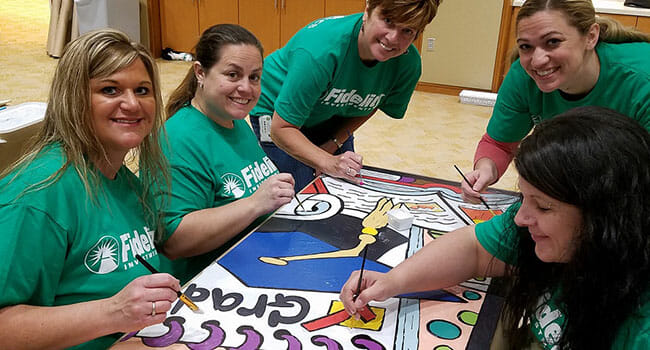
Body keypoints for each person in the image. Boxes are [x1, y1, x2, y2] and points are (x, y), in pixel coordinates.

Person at [341, 106, 650, 349]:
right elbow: (474, 248)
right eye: (523, 199)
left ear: (608, 215)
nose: (519, 218)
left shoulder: (639, 326)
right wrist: (393, 280)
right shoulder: (557, 233)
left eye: (542, 206)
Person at [0, 29, 181, 349]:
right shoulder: (37, 196)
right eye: (110, 89)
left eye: (142, 90)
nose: (132, 104)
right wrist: (114, 312)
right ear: (74, 98)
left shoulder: (124, 179)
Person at [462, 0, 650, 203]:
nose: (537, 60)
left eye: (553, 42)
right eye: (526, 46)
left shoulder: (641, 82)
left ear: (591, 37)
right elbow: (500, 143)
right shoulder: (523, 77)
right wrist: (486, 169)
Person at [249, 0, 442, 190]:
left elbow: (373, 101)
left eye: (407, 31)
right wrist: (326, 161)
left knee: (343, 186)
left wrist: (334, 143)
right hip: (278, 111)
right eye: (388, 20)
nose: (393, 38)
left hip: (330, 110)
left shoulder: (407, 65)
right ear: (367, 10)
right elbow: (281, 128)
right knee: (300, 191)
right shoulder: (320, 50)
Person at [159, 24, 295, 284]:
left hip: (254, 261)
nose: (246, 88)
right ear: (200, 72)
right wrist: (256, 203)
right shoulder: (178, 139)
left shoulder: (233, 119)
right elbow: (174, 241)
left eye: (254, 77)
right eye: (233, 75)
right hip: (207, 283)